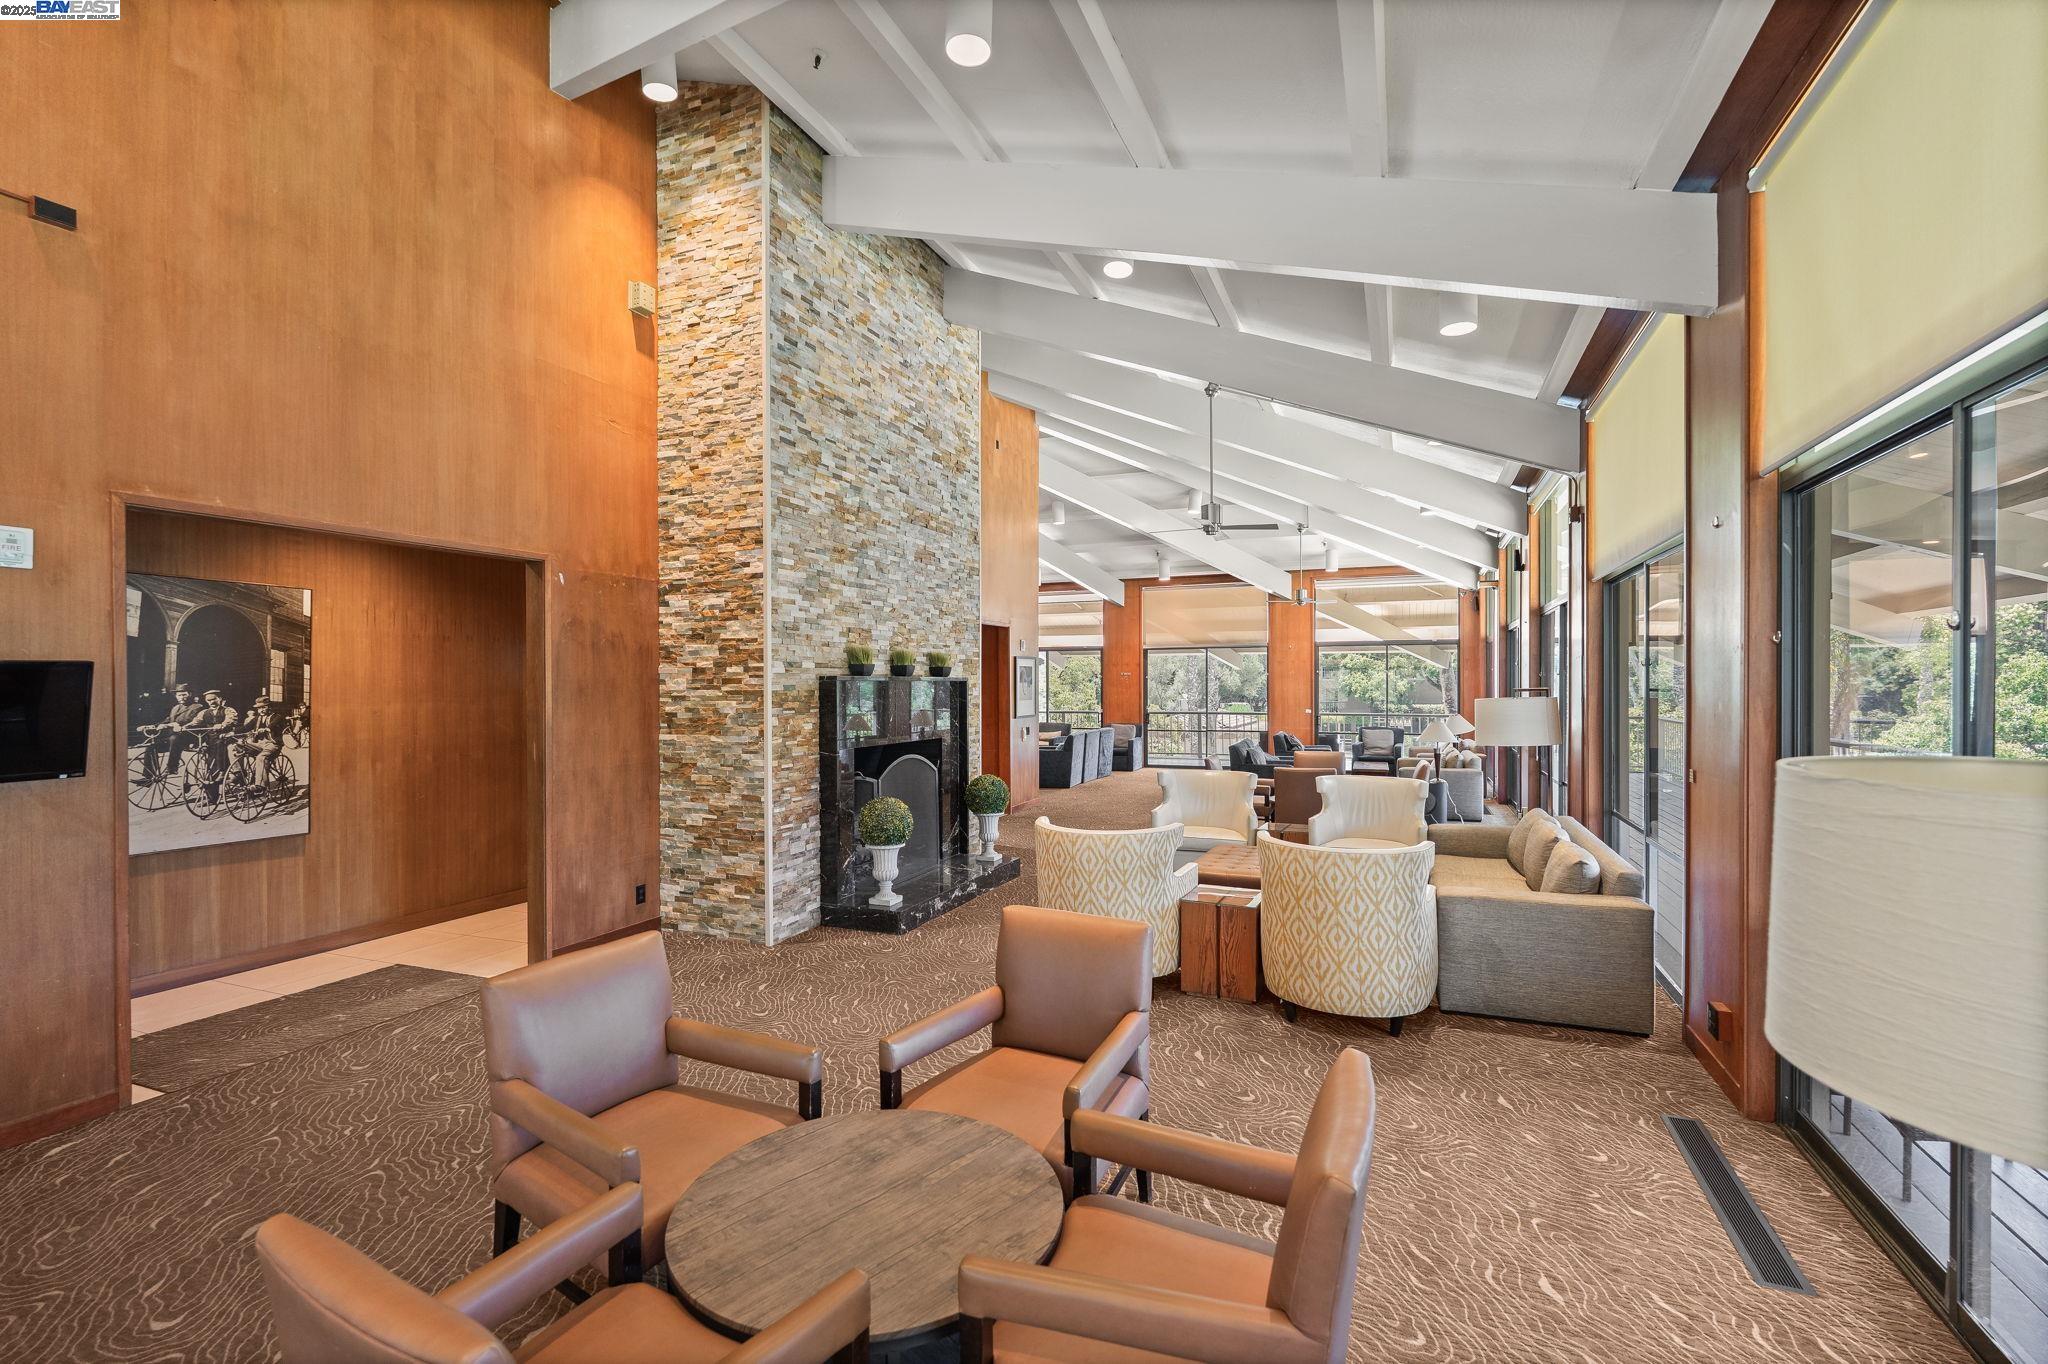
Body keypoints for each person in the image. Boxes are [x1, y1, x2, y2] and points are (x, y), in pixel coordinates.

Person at [136, 683, 205, 783]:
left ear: (190, 694)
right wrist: (150, 726)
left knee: (174, 738)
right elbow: (167, 720)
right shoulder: (175, 708)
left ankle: (172, 767)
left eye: (184, 694)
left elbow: (187, 720)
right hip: (174, 738)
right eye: (179, 695)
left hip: (189, 737)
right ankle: (149, 776)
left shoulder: (197, 707)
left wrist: (169, 725)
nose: (181, 697)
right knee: (152, 746)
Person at [227, 696, 286, 790]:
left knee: (261, 758)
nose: (261, 710)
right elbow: (246, 727)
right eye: (259, 708)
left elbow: (273, 724)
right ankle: (238, 773)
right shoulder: (257, 718)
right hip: (258, 744)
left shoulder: (277, 717)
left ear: (269, 707)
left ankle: (260, 786)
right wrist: (232, 732)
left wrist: (267, 729)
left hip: (272, 745)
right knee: (234, 747)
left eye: (264, 707)